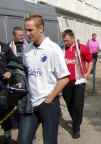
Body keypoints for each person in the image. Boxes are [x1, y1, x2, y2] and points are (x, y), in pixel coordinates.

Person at [18, 13, 70, 144]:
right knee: (23, 141)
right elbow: (27, 73)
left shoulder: (53, 49)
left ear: (41, 28)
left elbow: (64, 78)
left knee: (50, 141)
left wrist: (49, 98)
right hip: (30, 103)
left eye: (30, 30)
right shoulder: (26, 50)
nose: (27, 34)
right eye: (26, 30)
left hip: (48, 104)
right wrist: (22, 83)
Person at [62, 29, 93, 139]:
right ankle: (76, 119)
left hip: (78, 81)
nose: (65, 43)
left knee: (77, 105)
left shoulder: (82, 48)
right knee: (69, 104)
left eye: (67, 41)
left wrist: (88, 73)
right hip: (65, 82)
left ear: (73, 38)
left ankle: (76, 128)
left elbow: (90, 60)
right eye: (64, 41)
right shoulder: (62, 50)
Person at [0, 42, 20, 144]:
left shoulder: (4, 47)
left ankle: (7, 134)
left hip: (3, 87)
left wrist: (10, 72)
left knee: (4, 109)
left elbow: (15, 62)